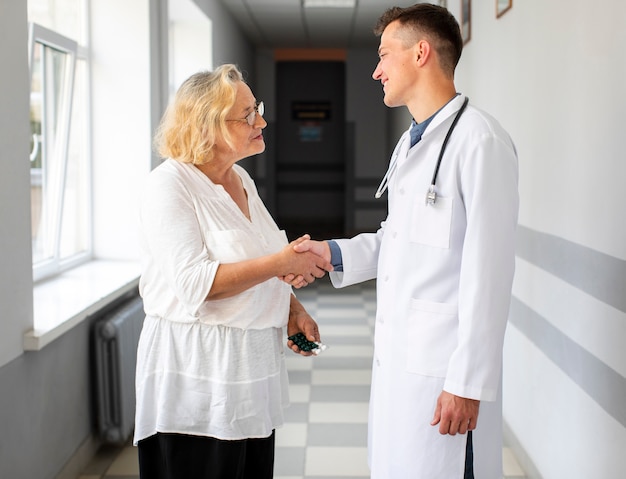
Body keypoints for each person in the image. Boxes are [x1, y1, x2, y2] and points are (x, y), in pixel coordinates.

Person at [291, 4, 519, 478]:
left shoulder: (480, 142)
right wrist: (331, 253)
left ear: (421, 53)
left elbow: (489, 273)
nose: (376, 71)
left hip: (444, 378)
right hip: (401, 366)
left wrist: (466, 382)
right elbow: (397, 241)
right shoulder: (412, 143)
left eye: (384, 55)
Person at [133, 64, 332, 479]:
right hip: (198, 377)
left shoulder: (240, 178)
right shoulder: (169, 186)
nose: (261, 120)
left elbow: (259, 256)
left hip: (251, 376)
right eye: (247, 115)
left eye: (255, 108)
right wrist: (282, 263)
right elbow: (194, 284)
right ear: (206, 126)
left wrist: (292, 307)